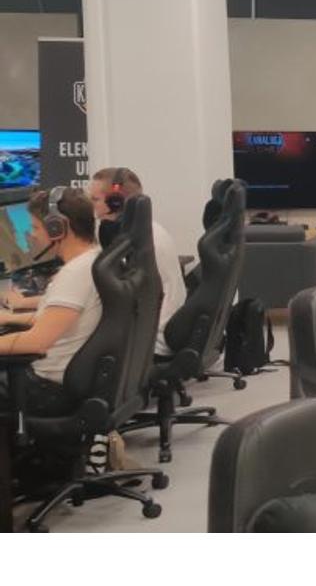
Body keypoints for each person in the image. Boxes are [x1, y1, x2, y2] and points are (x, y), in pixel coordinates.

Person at [0, 188, 103, 416]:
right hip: (70, 380)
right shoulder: (94, 259)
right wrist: (9, 318)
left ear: (58, 228)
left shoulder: (75, 274)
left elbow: (36, 342)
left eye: (36, 227)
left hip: (46, 389)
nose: (32, 234)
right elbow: (58, 322)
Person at [88, 167, 185, 356]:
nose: (91, 206)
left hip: (150, 340)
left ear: (115, 203)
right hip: (157, 328)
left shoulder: (133, 243)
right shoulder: (150, 231)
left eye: (95, 200)